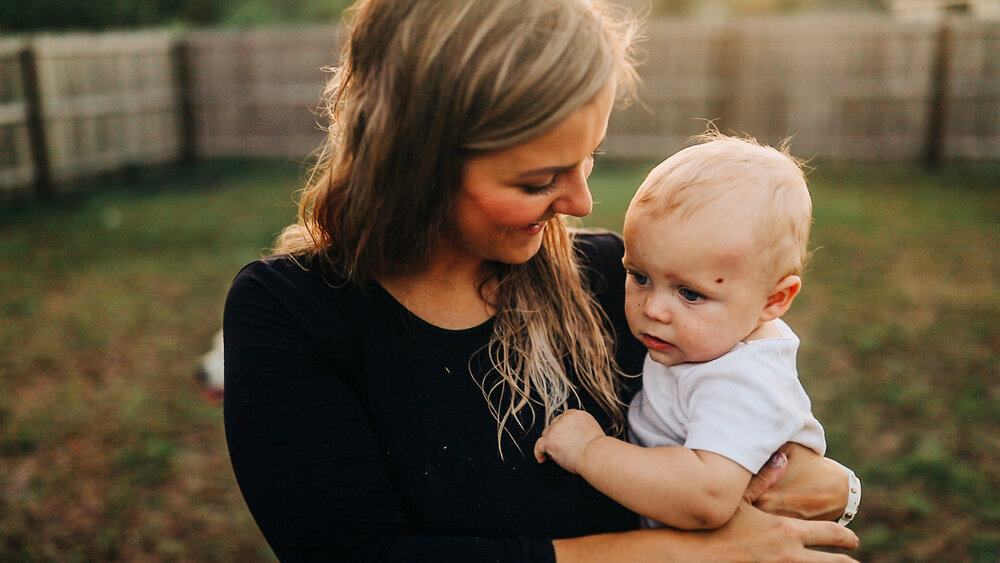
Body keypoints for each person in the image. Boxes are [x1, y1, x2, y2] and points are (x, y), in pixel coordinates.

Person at [223, 0, 860, 561]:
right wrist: (679, 554)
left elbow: (767, 427)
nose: (582, 203)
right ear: (414, 163)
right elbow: (354, 553)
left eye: (588, 160)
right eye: (537, 181)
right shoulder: (293, 314)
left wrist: (837, 487)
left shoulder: (621, 281)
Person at [533, 133, 861, 532]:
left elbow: (705, 497)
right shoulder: (703, 345)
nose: (652, 308)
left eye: (690, 294)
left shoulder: (742, 380)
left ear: (775, 300)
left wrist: (589, 450)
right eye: (639, 276)